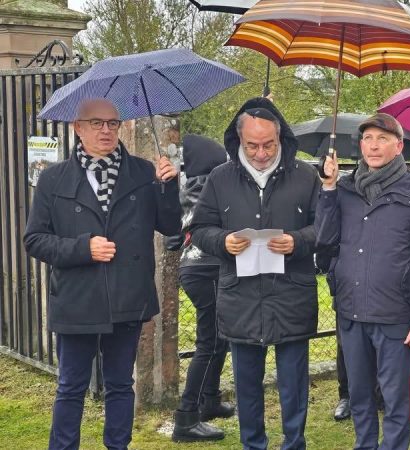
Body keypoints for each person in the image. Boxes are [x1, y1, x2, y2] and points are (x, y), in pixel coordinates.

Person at [24, 98, 180, 450]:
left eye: (112, 123)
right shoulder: (52, 178)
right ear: (77, 128)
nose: (106, 130)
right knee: (71, 387)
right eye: (96, 123)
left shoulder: (144, 172)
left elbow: (170, 225)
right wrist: (83, 248)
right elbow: (34, 240)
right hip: (77, 298)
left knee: (121, 385)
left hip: (127, 296)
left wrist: (169, 187)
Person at [189, 97, 321, 450]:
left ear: (281, 138)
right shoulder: (220, 177)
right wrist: (223, 241)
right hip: (241, 295)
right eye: (252, 145)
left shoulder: (306, 176)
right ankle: (254, 444)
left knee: (293, 382)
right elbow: (200, 228)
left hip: (291, 292)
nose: (261, 153)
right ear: (239, 140)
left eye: (269, 144)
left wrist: (296, 241)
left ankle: (294, 442)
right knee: (247, 384)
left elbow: (324, 228)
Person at [316, 113, 410, 450]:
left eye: (383, 139)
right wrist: (327, 190)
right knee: (359, 394)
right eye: (368, 138)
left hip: (395, 314)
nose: (374, 145)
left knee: (396, 398)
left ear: (398, 146)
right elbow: (324, 241)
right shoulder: (343, 189)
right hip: (351, 311)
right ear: (360, 145)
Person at [170, 134, 233, 442]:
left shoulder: (182, 185)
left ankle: (210, 399)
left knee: (219, 337)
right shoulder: (212, 188)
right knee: (209, 342)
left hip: (194, 267)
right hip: (206, 267)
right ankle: (186, 417)